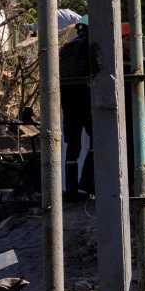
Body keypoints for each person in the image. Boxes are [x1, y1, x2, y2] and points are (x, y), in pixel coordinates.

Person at [57, 16, 93, 197]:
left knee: (72, 147)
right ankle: (87, 182)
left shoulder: (65, 49)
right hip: (86, 99)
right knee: (96, 139)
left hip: (68, 102)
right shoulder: (90, 46)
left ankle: (70, 191)